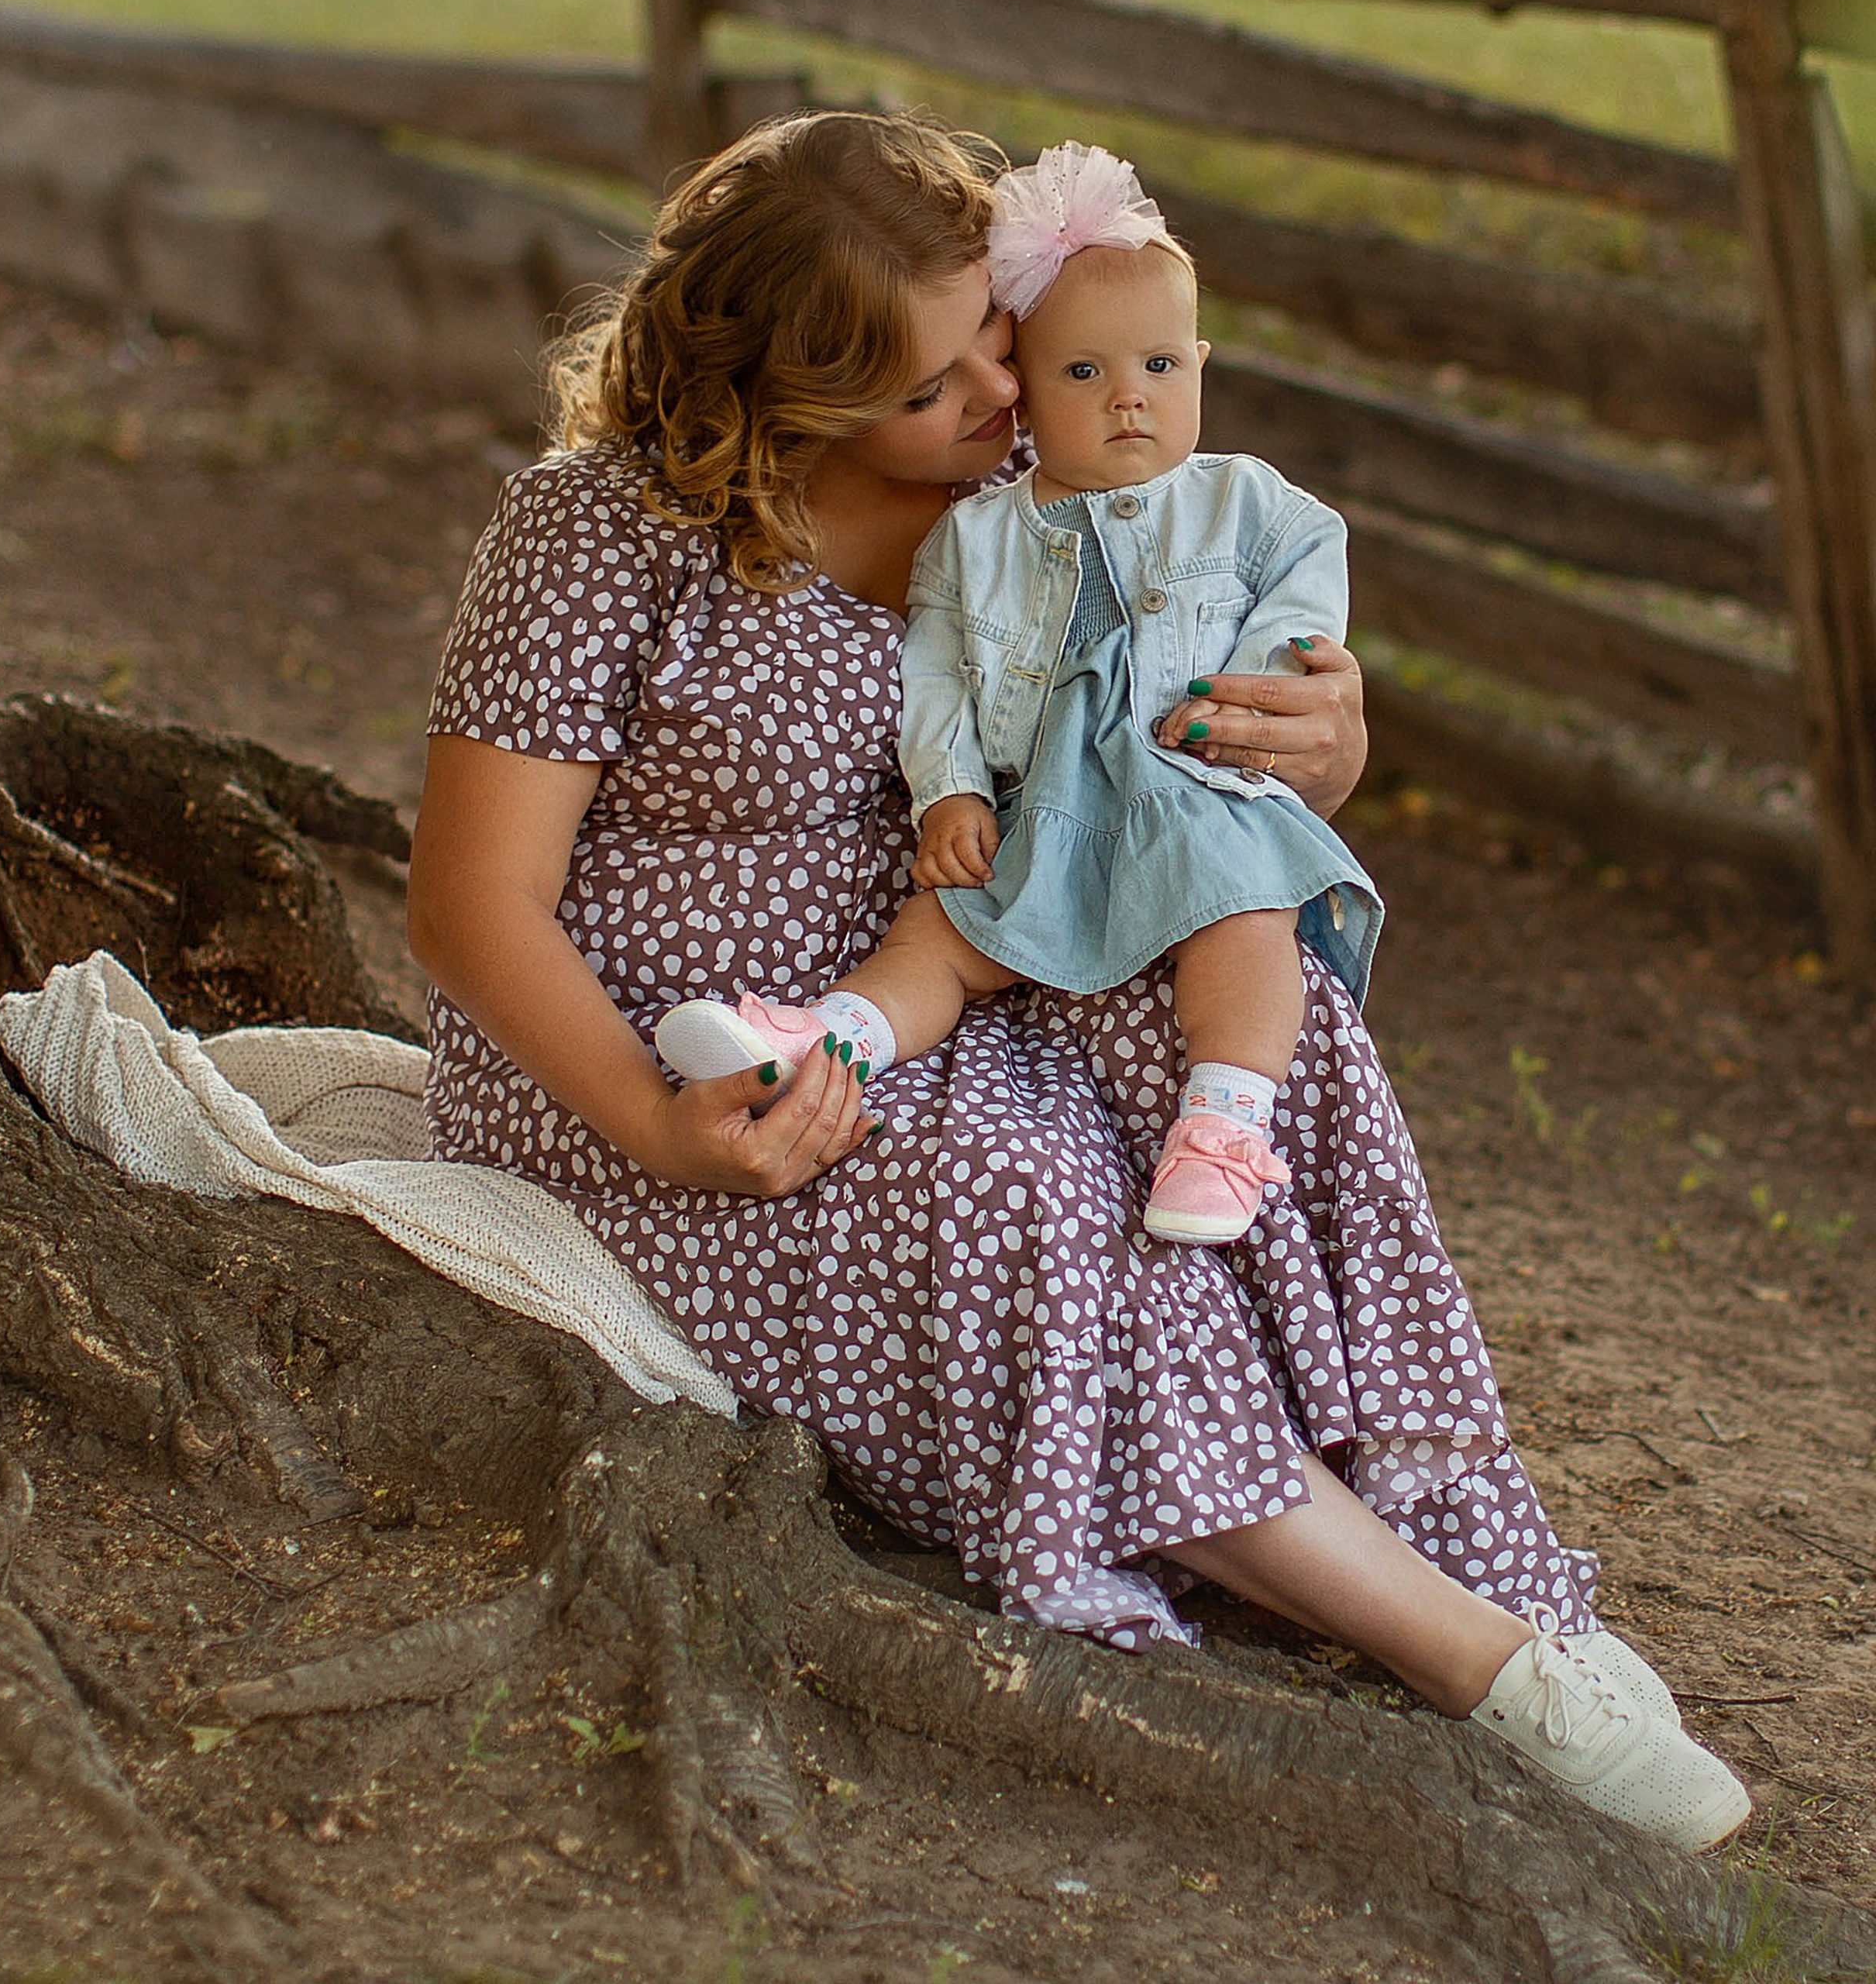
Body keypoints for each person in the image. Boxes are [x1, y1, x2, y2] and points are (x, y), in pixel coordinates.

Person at [405, 108, 1749, 1853]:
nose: (993, 389)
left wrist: (1314, 748)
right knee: (1023, 1196)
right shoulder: (601, 533)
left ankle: (1446, 1517)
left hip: (982, 955)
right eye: (927, 383)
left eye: (992, 331)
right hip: (661, 1054)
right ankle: (1477, 1662)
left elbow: (1211, 726)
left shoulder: (1053, 502)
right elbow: (467, 905)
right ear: (778, 399)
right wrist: (659, 1132)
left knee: (1271, 1044)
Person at [655, 142, 1383, 1250]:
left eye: (1160, 369)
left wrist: (1280, 691)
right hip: (1043, 809)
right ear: (1033, 387)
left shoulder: (1246, 503)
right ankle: (827, 1034)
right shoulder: (979, 531)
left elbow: (1308, 578)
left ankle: (1228, 1119)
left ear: (1200, 364)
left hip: (1193, 795)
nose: (1129, 401)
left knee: (1247, 921)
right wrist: (949, 792)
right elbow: (937, 671)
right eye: (1083, 375)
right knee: (938, 935)